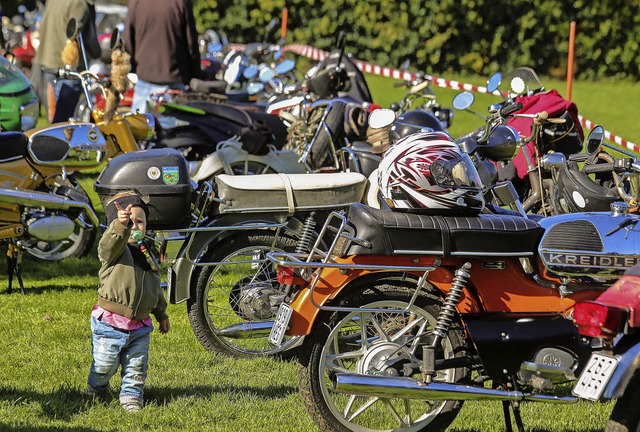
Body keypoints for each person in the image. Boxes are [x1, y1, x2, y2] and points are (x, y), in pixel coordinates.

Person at [87, 192, 170, 413]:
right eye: (129, 221)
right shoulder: (115, 252)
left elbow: (154, 288)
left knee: (136, 367)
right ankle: (97, 387)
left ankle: (132, 396)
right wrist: (119, 227)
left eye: (140, 222)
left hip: (139, 327)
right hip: (110, 323)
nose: (135, 226)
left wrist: (161, 315)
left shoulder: (147, 254)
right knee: (104, 365)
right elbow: (107, 244)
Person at [123, 0, 201, 113]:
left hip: (144, 80)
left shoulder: (136, 2)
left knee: (138, 128)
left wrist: (135, 69)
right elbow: (192, 45)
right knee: (173, 129)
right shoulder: (180, 3)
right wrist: (194, 76)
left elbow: (127, 43)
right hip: (173, 82)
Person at [31, 0, 100, 123]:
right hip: (68, 67)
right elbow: (78, 36)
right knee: (65, 118)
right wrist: (98, 53)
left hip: (48, 61)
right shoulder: (80, 4)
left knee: (55, 114)